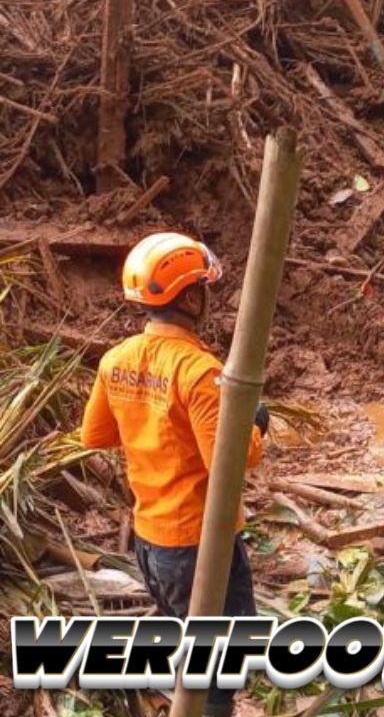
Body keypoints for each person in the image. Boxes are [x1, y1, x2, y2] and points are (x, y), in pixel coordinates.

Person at [81, 232, 266, 717]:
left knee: (191, 652)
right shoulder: (200, 372)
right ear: (188, 297)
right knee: (222, 667)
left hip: (150, 543)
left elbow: (94, 435)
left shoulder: (116, 359)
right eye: (202, 288)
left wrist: (153, 426)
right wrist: (254, 425)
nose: (206, 296)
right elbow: (230, 462)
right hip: (201, 545)